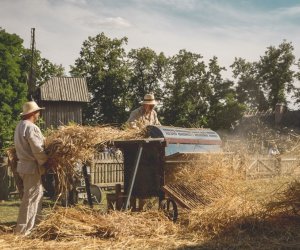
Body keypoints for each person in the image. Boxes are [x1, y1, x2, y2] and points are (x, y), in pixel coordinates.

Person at [14, 101, 48, 236]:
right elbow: (38, 149)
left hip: (23, 166)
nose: (39, 114)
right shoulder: (31, 127)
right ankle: (23, 231)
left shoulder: (19, 126)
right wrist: (45, 160)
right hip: (31, 167)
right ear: (33, 113)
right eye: (38, 112)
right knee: (30, 198)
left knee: (36, 195)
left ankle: (34, 227)